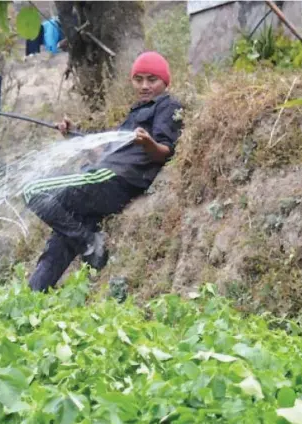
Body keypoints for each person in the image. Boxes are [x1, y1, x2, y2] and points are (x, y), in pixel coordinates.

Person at [22, 51, 183, 292]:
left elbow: (164, 151)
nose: (145, 85)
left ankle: (89, 243)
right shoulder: (135, 113)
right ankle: (30, 299)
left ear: (165, 82)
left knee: (32, 190)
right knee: (58, 245)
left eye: (152, 79)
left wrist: (148, 142)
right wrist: (71, 134)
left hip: (116, 180)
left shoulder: (167, 105)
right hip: (102, 177)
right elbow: (103, 155)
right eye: (138, 79)